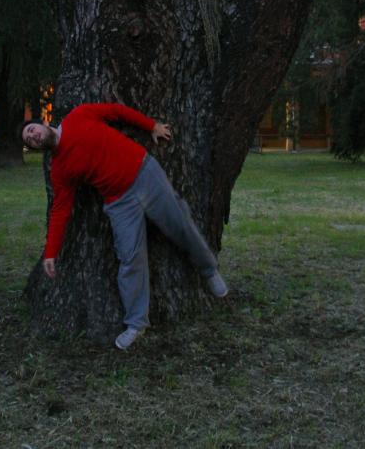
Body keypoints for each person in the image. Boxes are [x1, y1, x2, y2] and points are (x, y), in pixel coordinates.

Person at [21, 102, 228, 350]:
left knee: (181, 225)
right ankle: (136, 323)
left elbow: (117, 112)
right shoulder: (59, 170)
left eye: (32, 130)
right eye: (29, 140)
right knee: (130, 259)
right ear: (35, 147)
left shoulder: (79, 116)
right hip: (119, 203)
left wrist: (151, 125)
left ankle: (209, 270)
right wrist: (51, 252)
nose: (33, 136)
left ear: (42, 124)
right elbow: (61, 209)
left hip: (145, 173)